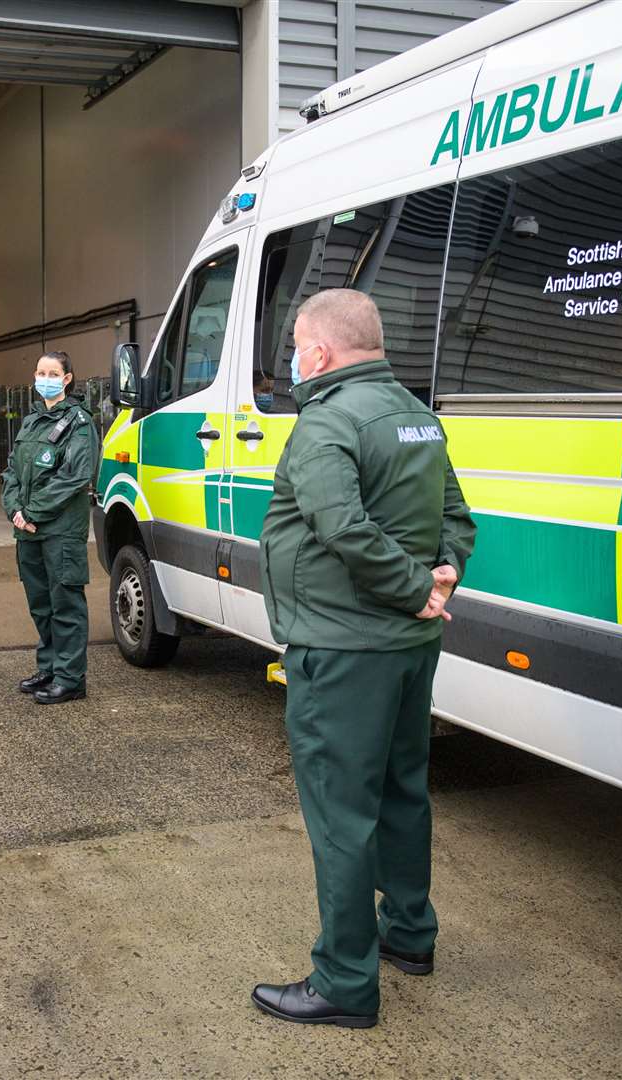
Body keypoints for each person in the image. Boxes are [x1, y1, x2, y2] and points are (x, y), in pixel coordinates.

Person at [252, 289, 477, 1028]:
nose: (293, 357)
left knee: (341, 816)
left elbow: (342, 527)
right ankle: (409, 935)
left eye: (295, 344)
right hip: (410, 651)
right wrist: (443, 572)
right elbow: (456, 517)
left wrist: (416, 587)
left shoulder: (326, 422)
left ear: (317, 353)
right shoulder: (418, 417)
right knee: (402, 792)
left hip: (344, 649)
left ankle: (344, 982)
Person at [1, 351, 96, 705]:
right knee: (40, 604)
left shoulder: (78, 422)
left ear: (67, 378)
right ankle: (51, 667)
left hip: (59, 531)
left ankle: (70, 679)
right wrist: (14, 510)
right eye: (40, 372)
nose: (45, 377)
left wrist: (33, 512)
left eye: (53, 372)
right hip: (28, 530)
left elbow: (75, 476)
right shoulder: (31, 421)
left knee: (65, 604)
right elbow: (11, 471)